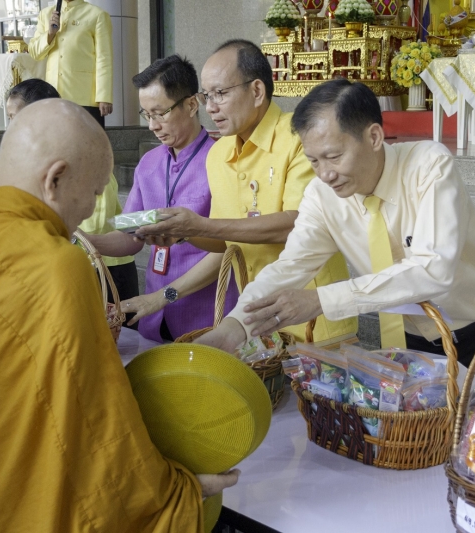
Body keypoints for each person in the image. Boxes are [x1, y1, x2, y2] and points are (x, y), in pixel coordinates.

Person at [0, 98, 238, 532]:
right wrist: (172, 491)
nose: (87, 210)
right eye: (94, 193)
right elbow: (97, 424)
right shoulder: (54, 264)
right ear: (55, 179)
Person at [196, 79, 475, 377]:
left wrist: (321, 300)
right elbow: (290, 266)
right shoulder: (322, 196)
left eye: (334, 156)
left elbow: (433, 269)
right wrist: (236, 324)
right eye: (313, 161)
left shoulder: (429, 166)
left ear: (374, 137)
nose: (324, 173)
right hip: (412, 347)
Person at [135, 40, 356, 343]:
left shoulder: (299, 137)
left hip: (313, 320)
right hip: (255, 321)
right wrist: (181, 232)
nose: (210, 107)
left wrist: (199, 225)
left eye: (220, 94)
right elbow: (225, 239)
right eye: (207, 95)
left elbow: (298, 223)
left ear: (256, 91)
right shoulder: (220, 153)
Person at [82, 55, 238, 342]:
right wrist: (87, 240)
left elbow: (226, 249)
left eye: (159, 113)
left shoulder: (223, 161)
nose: (152, 125)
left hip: (206, 315)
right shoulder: (149, 163)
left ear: (192, 105)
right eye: (146, 114)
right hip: (154, 315)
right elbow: (130, 236)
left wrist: (163, 297)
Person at [5, 78, 140, 324]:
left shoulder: (80, 159)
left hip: (106, 268)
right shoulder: (34, 164)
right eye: (10, 118)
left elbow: (113, 223)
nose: (11, 127)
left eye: (16, 118)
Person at [29, 0, 113, 127]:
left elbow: (104, 58)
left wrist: (104, 96)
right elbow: (35, 53)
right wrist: (50, 34)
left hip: (84, 97)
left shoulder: (97, 15)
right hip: (53, 96)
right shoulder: (45, 15)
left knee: (88, 143)